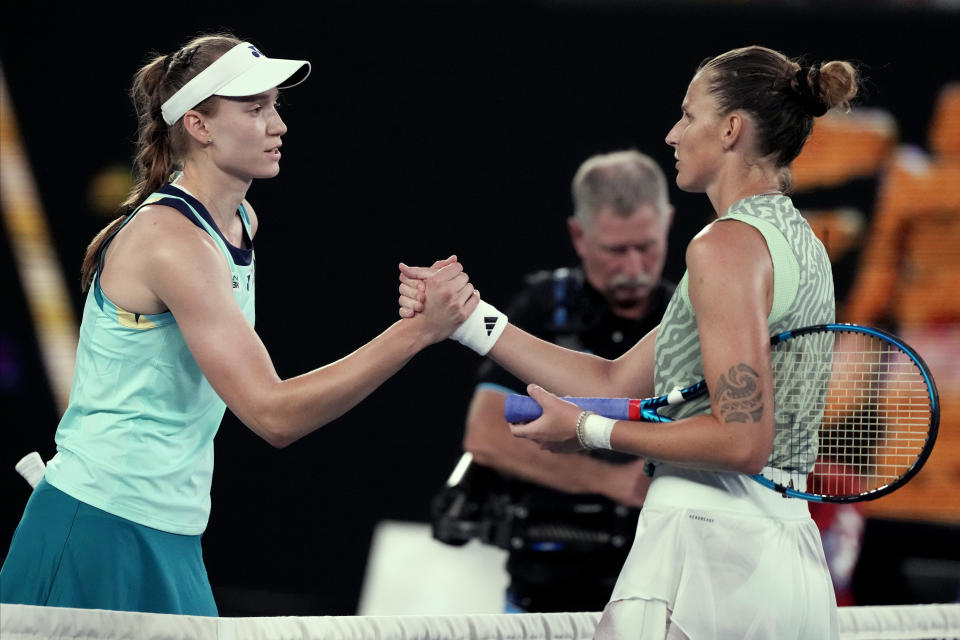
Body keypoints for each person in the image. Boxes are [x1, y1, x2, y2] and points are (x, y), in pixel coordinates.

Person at [0, 33, 477, 617]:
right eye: (255, 109)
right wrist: (416, 333)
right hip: (96, 527)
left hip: (169, 531)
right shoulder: (172, 242)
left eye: (275, 106)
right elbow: (273, 414)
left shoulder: (239, 220)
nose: (278, 125)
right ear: (199, 126)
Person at [401, 46, 858, 639]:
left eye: (688, 116)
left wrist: (589, 432)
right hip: (780, 556)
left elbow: (744, 439)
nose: (672, 134)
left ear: (731, 129)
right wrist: (467, 320)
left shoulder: (724, 248)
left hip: (709, 554)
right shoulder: (797, 243)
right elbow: (612, 381)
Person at [455, 150, 675, 612]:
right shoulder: (541, 308)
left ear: (669, 222)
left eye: (647, 246)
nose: (634, 266)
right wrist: (609, 481)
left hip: (660, 591)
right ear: (579, 235)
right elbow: (486, 435)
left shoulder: (687, 318)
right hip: (543, 589)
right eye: (617, 250)